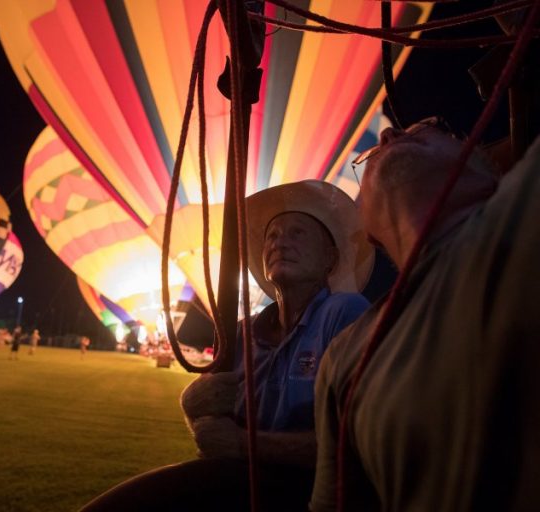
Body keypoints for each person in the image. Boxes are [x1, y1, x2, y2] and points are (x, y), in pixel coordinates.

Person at [80, 180, 374, 511]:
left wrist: (243, 444)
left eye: (297, 233)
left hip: (304, 495)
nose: (280, 242)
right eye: (272, 236)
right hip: (239, 488)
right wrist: (193, 408)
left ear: (329, 258)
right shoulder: (242, 333)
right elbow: (215, 434)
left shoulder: (343, 312)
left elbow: (356, 442)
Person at [310, 120, 540, 511]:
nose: (388, 135)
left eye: (426, 129)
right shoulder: (343, 354)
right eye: (368, 158)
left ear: (488, 172)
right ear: (366, 227)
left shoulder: (524, 202)